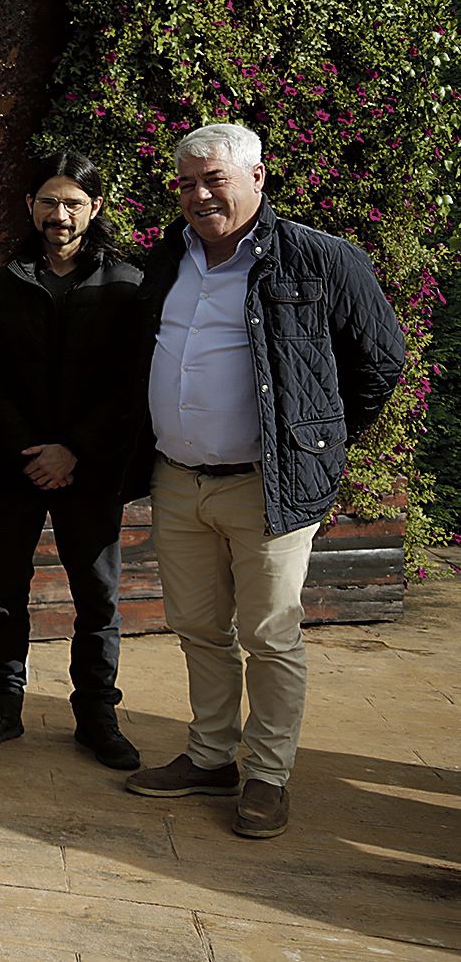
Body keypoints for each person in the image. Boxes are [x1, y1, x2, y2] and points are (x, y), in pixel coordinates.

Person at [122, 123, 404, 838]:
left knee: (271, 632)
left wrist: (315, 442)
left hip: (266, 484)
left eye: (212, 178)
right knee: (195, 625)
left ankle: (268, 773)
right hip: (180, 478)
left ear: (257, 176)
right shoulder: (167, 257)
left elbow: (379, 359)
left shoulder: (321, 257)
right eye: (185, 183)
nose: (197, 195)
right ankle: (212, 755)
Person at [0, 153, 143, 769]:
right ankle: (1, 709)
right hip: (17, 466)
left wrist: (75, 450)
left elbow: (132, 382)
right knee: (4, 589)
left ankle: (96, 715)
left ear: (94, 207)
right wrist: (30, 448)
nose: (58, 215)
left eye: (72, 203)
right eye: (47, 201)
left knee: (97, 594)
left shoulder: (126, 286)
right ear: (30, 206)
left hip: (91, 468)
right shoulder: (1, 285)